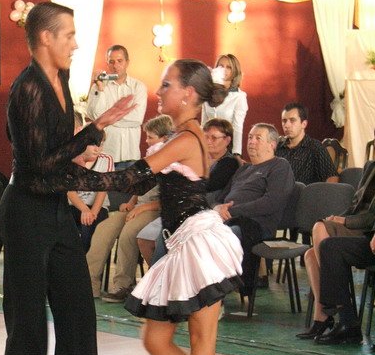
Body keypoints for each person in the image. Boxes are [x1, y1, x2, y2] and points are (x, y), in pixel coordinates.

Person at [39, 59, 244, 355]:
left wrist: (64, 176)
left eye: (167, 85)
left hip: (200, 245)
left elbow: (128, 178)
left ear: (188, 93)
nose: (159, 91)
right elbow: (143, 181)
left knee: (202, 339)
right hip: (182, 243)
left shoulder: (188, 138)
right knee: (156, 340)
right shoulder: (180, 137)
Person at [0, 1, 135, 355]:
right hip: (25, 213)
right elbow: (39, 166)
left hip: (56, 211)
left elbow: (59, 163)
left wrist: (101, 161)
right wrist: (97, 128)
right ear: (45, 38)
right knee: (28, 326)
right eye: (69, 35)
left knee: (79, 317)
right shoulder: (27, 87)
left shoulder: (62, 80)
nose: (76, 44)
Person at [297, 127, 375, 344]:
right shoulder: (372, 167)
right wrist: (340, 217)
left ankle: (329, 313)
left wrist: (345, 222)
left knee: (321, 235)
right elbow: (355, 204)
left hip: (365, 228)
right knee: (311, 254)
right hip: (360, 226)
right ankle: (331, 316)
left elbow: (372, 218)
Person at [136, 117, 239, 266]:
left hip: (204, 212)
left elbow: (208, 185)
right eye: (206, 137)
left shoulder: (229, 163)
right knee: (144, 239)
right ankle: (161, 275)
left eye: (214, 138)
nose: (209, 141)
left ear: (227, 140)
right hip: (180, 208)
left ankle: (166, 277)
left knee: (164, 239)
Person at [91, 115, 172, 302]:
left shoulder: (172, 162)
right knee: (104, 228)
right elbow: (141, 187)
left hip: (156, 210)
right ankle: (89, 282)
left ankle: (123, 285)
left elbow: (170, 199)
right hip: (139, 207)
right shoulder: (148, 158)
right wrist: (131, 202)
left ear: (164, 138)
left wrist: (141, 209)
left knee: (129, 232)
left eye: (151, 137)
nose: (147, 141)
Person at [214, 123, 295, 294]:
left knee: (216, 238)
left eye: (258, 138)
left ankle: (214, 296)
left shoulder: (279, 166)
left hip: (256, 225)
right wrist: (218, 208)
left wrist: (232, 212)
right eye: (250, 137)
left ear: (272, 145)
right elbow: (221, 198)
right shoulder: (244, 169)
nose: (251, 142)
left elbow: (271, 202)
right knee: (185, 233)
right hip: (227, 219)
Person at [86, 44, 147, 165]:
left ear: (127, 62)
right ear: (107, 63)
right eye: (111, 61)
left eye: (120, 61)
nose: (115, 66)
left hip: (131, 154)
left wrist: (107, 118)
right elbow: (95, 116)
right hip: (106, 154)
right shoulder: (98, 86)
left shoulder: (138, 87)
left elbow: (137, 119)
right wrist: (100, 89)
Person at [67, 134, 113, 252]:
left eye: (100, 145)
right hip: (75, 205)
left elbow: (103, 191)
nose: (97, 149)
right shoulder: (70, 159)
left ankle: (87, 261)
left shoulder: (106, 159)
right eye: (93, 145)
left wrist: (92, 213)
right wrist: (84, 209)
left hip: (98, 207)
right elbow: (69, 191)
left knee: (89, 226)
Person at [276, 102, 338, 184]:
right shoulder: (277, 147)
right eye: (284, 121)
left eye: (292, 120)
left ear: (304, 124)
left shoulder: (315, 148)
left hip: (305, 191)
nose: (286, 125)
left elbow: (331, 177)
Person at [201, 53, 248, 159]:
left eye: (228, 67)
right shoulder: (208, 93)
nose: (224, 70)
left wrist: (236, 153)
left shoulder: (239, 97)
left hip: (226, 148)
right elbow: (203, 124)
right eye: (221, 66)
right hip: (207, 147)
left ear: (234, 71)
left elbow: (237, 127)